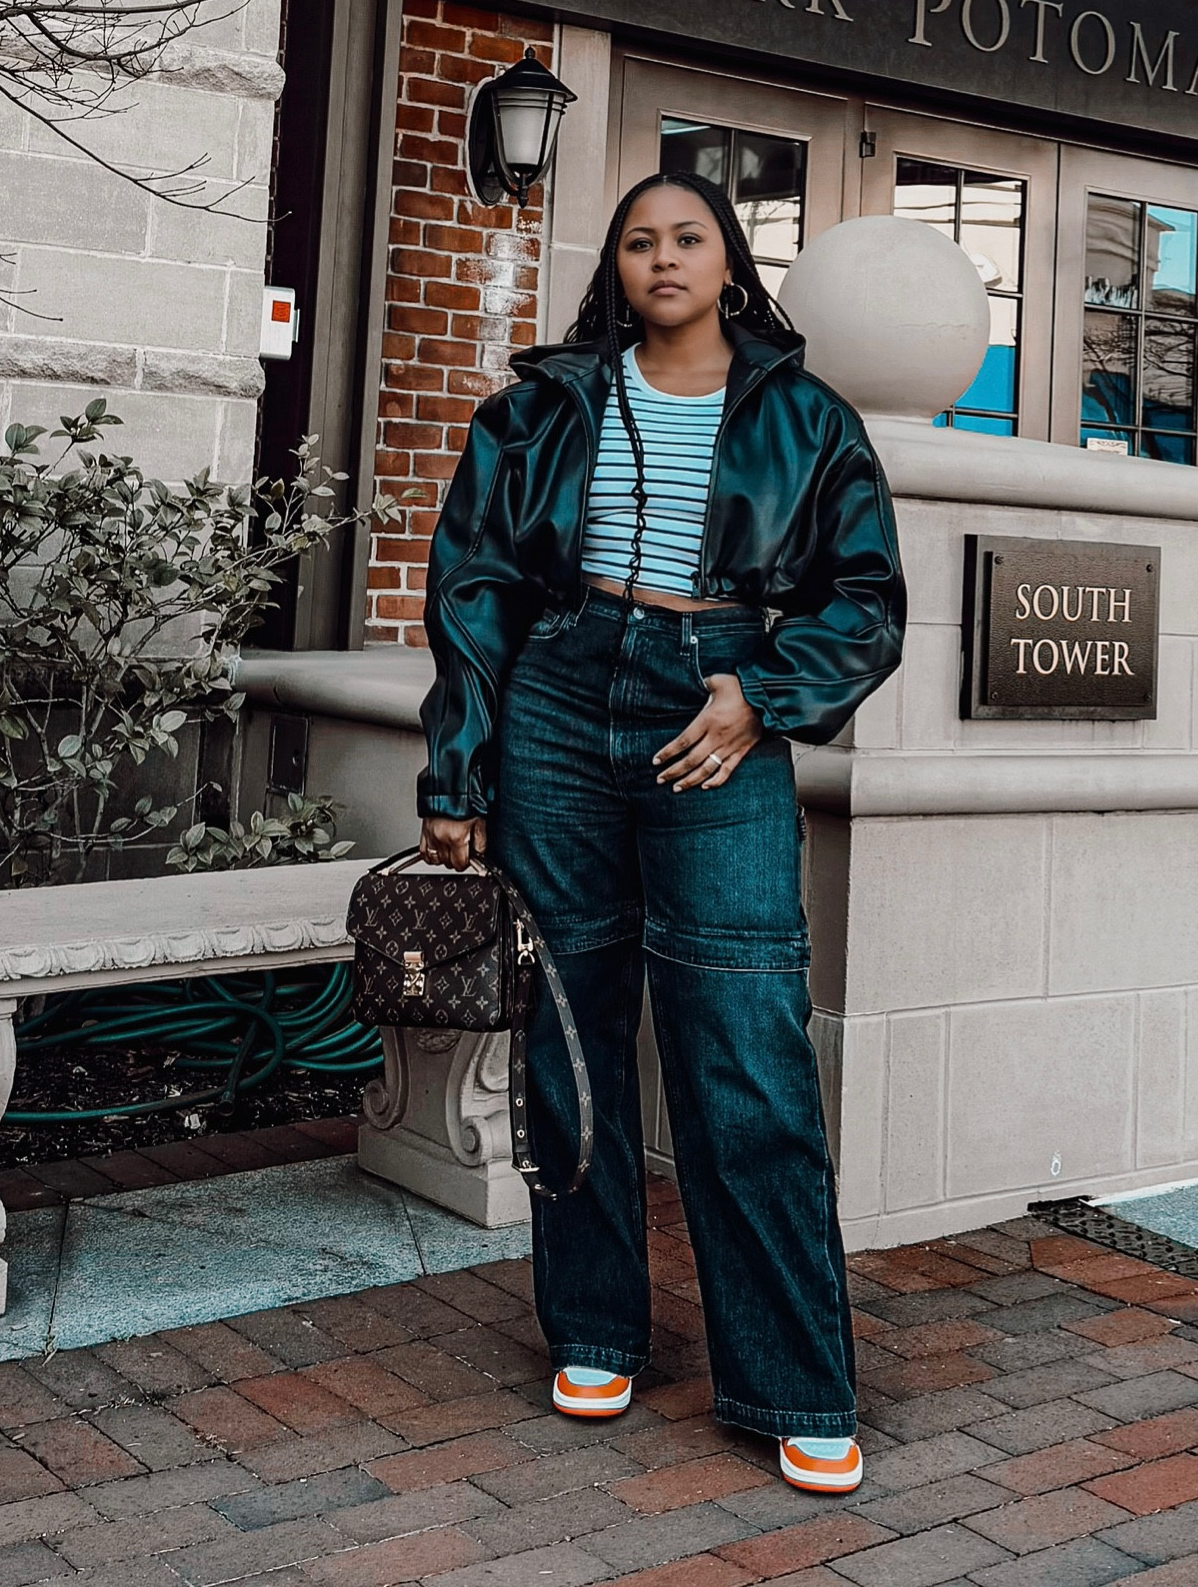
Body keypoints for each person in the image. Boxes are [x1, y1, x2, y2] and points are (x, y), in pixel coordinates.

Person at [416, 170, 906, 1493]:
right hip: (560, 703)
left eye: (686, 236)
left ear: (730, 261)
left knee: (743, 1043)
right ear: (617, 268)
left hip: (719, 701)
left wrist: (763, 693)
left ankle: (794, 1381)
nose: (661, 257)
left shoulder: (803, 419)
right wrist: (457, 776)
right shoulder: (541, 407)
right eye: (638, 240)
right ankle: (593, 1328)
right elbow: (469, 592)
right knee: (569, 1039)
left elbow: (861, 600)